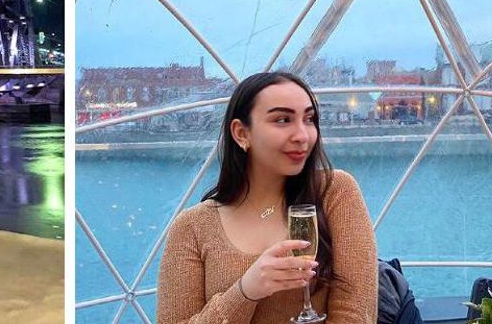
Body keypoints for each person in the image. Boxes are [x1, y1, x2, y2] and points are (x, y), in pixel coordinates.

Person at [156, 71, 378, 323]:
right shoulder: (192, 227)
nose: (302, 135)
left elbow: (355, 313)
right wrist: (245, 292)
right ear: (241, 133)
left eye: (309, 119)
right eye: (282, 120)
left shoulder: (335, 192)